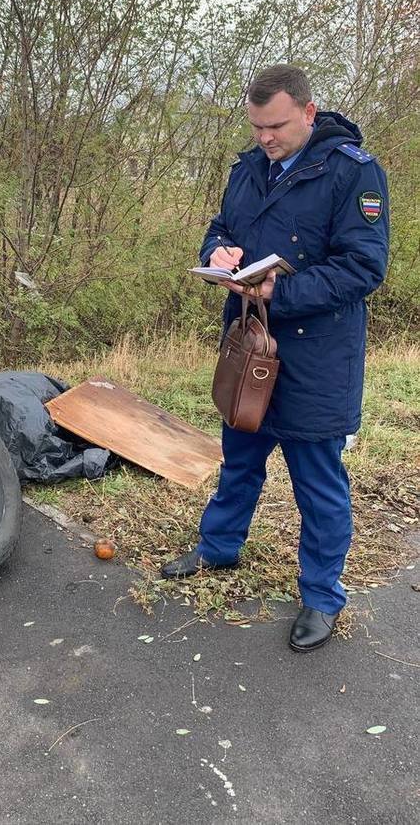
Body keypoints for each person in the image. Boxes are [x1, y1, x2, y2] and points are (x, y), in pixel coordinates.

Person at [161, 65, 390, 652]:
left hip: (317, 357)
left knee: (318, 484)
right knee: (239, 455)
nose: (265, 138)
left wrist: (279, 292)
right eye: (257, 126)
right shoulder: (246, 169)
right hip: (248, 345)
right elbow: (219, 227)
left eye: (277, 126)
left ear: (309, 113)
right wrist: (220, 251)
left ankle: (320, 597)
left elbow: (365, 267)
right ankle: (219, 547)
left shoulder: (353, 174)